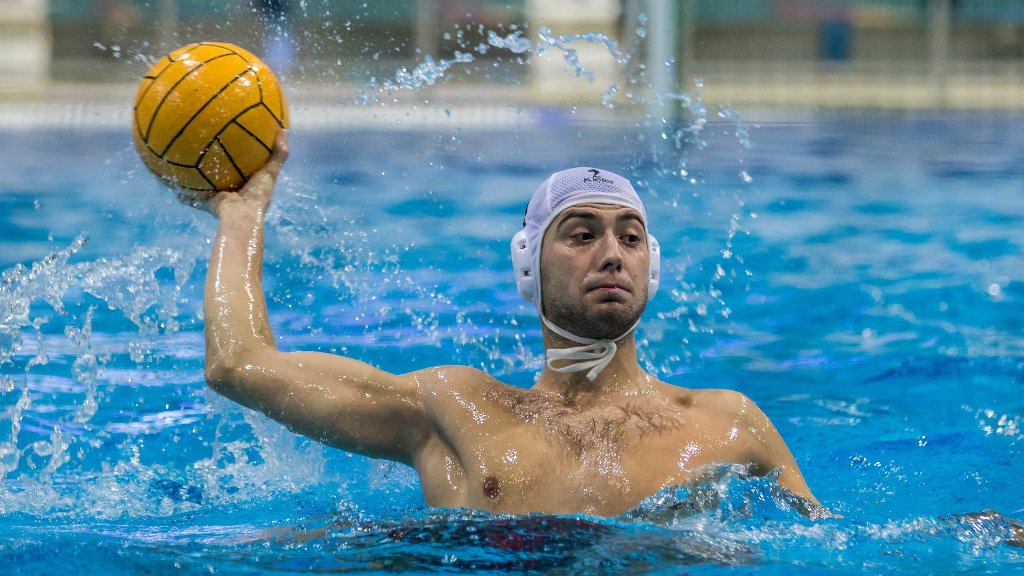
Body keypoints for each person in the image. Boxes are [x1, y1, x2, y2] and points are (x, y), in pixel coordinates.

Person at [201, 130, 830, 518]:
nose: (612, 254)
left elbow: (826, 546)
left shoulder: (728, 423)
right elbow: (238, 366)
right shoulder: (453, 412)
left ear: (652, 265)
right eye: (581, 234)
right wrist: (242, 215)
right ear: (528, 265)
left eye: (631, 237)